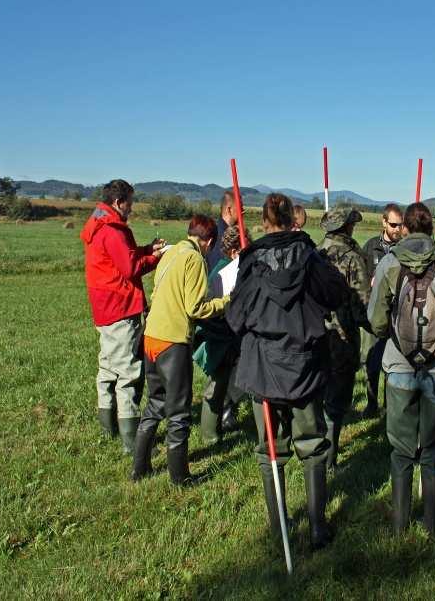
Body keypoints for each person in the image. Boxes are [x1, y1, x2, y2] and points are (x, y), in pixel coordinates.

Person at [226, 193, 348, 550]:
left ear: (265, 222)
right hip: (302, 365)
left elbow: (236, 317)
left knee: (270, 450)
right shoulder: (310, 257)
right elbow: (336, 293)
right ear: (291, 219)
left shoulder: (254, 260)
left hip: (267, 367)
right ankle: (316, 528)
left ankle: (284, 526)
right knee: (312, 446)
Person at [367, 202, 435, 537]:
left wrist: (393, 334)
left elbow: (375, 321)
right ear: (431, 229)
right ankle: (432, 527)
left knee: (401, 450)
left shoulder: (390, 262)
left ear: (406, 228)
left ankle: (399, 528)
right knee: (431, 451)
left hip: (398, 366)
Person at [130, 215, 229, 485]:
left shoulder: (171, 252)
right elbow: (196, 308)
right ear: (208, 241)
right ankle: (180, 477)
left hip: (150, 337)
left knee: (155, 404)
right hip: (172, 341)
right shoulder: (194, 259)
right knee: (179, 412)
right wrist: (226, 302)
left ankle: (139, 469)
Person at [80, 179, 165, 453]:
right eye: (130, 201)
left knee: (107, 367)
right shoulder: (113, 230)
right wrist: (156, 258)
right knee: (128, 372)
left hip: (104, 306)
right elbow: (130, 268)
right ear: (119, 202)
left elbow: (124, 256)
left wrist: (147, 249)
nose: (132, 207)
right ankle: (132, 441)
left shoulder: (100, 224)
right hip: (120, 306)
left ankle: (107, 426)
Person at [318, 206, 370, 471]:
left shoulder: (315, 253)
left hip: (317, 335)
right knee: (337, 401)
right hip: (343, 336)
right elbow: (363, 304)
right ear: (346, 227)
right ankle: (329, 459)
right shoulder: (352, 257)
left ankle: (315, 452)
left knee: (320, 394)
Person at [193, 225, 251, 444]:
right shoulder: (224, 272)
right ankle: (210, 436)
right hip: (220, 335)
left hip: (228, 335)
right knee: (215, 388)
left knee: (226, 382)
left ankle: (219, 424)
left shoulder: (228, 267)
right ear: (235, 251)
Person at [360, 203, 404, 417]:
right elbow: (360, 279)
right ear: (384, 222)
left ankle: (388, 406)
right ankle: (371, 404)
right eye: (393, 224)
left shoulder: (404, 249)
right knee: (371, 361)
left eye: (400, 225)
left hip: (396, 315)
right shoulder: (369, 247)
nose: (397, 229)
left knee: (392, 362)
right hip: (374, 313)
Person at [206, 191, 240, 272]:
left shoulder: (219, 231)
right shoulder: (221, 238)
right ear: (229, 210)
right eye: (240, 208)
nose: (243, 211)